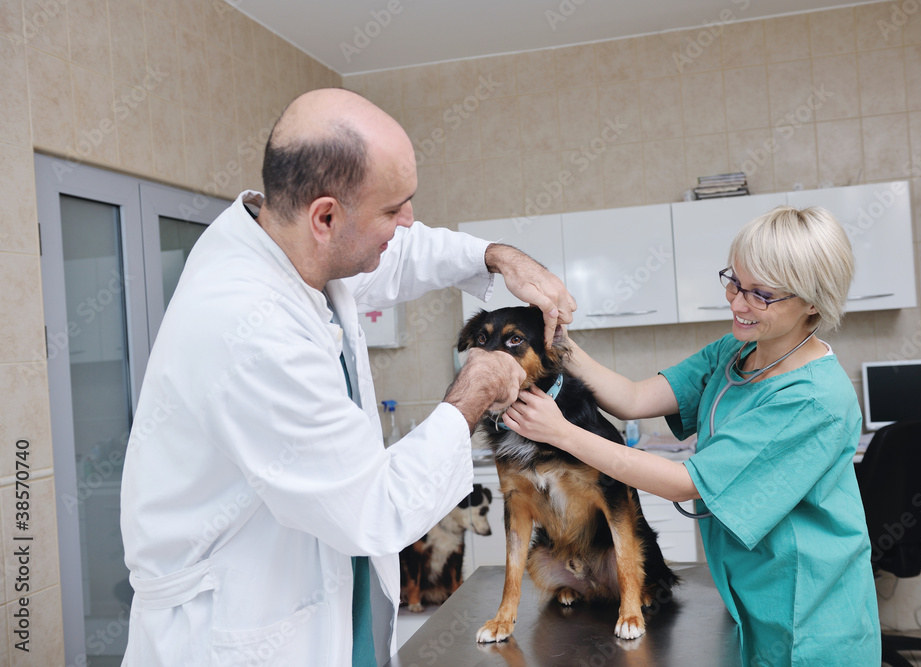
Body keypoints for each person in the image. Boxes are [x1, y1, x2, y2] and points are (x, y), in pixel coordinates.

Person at [119, 88, 575, 666]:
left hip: (330, 597)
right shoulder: (246, 326)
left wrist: (500, 256)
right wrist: (473, 390)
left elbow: (409, 252)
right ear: (326, 216)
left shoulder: (298, 249)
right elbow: (375, 508)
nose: (407, 222)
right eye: (394, 209)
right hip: (246, 632)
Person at [503, 206, 880, 666]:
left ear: (814, 301)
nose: (738, 303)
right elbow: (634, 398)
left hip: (809, 610)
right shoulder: (737, 351)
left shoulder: (813, 398)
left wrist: (561, 433)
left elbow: (685, 482)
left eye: (761, 294)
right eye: (735, 282)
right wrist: (552, 335)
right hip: (748, 589)